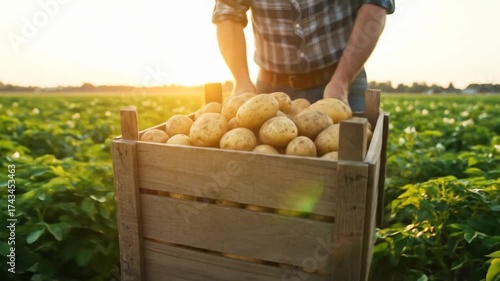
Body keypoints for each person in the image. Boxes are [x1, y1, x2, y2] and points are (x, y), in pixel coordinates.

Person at [212, 0, 395, 112]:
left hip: (342, 81)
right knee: (270, 170)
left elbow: (375, 4)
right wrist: (242, 80)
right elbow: (228, 12)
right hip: (270, 91)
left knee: (351, 161)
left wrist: (342, 81)